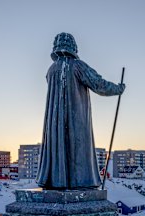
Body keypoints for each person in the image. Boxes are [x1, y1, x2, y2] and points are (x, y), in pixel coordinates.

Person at [37, 33, 125, 190]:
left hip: (54, 121)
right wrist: (118, 89)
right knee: (78, 148)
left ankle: (57, 180)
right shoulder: (76, 65)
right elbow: (99, 84)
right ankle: (80, 181)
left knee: (59, 146)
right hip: (75, 117)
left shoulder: (51, 69)